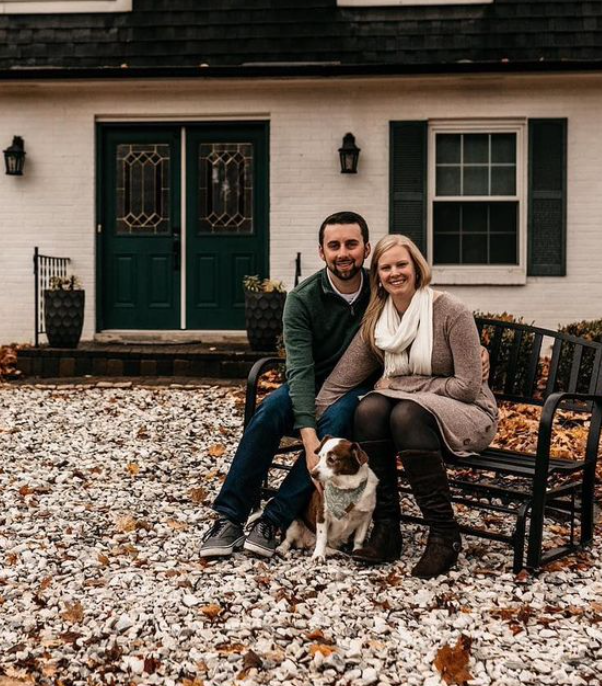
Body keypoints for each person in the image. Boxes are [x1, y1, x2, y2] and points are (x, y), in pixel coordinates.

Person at [315, 234, 499, 578]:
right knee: (369, 408)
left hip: (471, 413)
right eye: (386, 267)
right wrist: (311, 430)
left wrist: (400, 385)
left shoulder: (451, 311)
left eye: (402, 265)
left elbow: (467, 387)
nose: (394, 273)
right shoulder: (379, 321)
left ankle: (444, 535)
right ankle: (387, 530)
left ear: (416, 268)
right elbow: (340, 380)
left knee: (404, 411)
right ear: (379, 276)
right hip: (418, 412)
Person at [199, 212, 373, 559]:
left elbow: (426, 307)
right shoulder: (302, 299)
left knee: (338, 422)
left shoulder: (379, 290)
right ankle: (230, 517)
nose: (343, 253)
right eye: (334, 245)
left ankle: (274, 520)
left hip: (356, 388)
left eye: (351, 244)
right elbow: (300, 371)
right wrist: (309, 438)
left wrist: (476, 346)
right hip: (309, 382)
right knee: (269, 413)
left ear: (366, 249)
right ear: (321, 252)